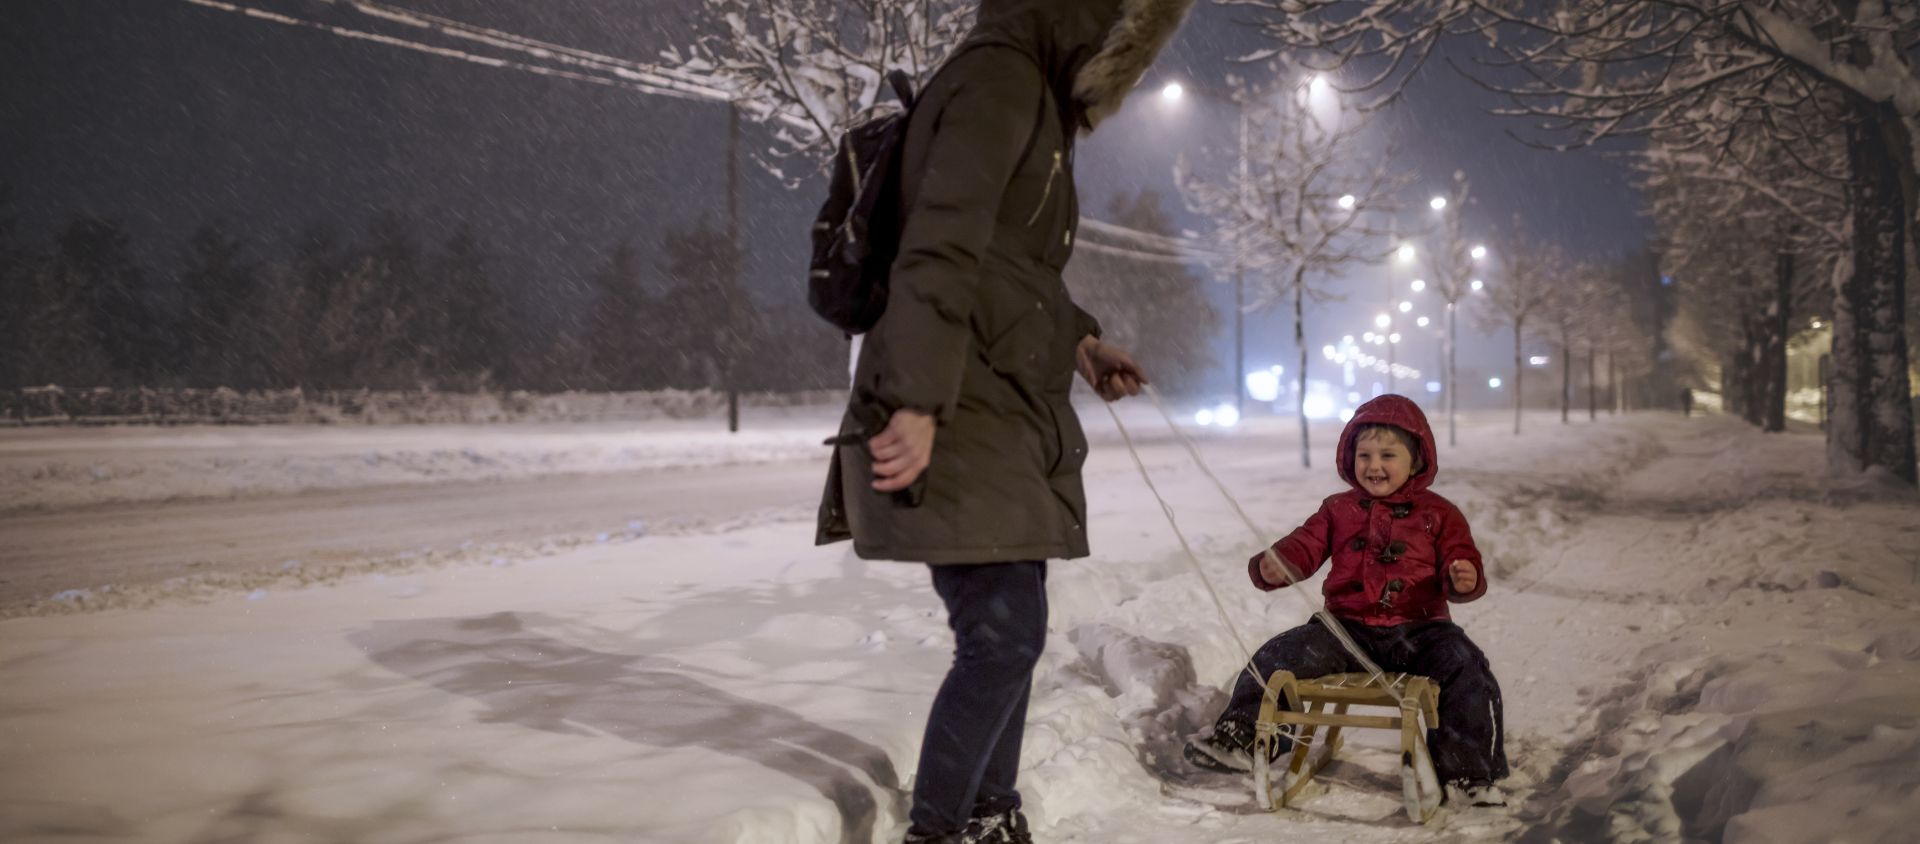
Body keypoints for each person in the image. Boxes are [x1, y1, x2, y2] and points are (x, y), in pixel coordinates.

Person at [814, 1, 1192, 841]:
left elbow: (1014, 272)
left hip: (995, 408)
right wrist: (914, 400)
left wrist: (1084, 344)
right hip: (956, 408)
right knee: (1002, 637)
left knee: (1011, 630)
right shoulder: (998, 80)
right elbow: (940, 245)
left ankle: (991, 814)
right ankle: (942, 829)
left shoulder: (1029, 94)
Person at [1182, 394, 1510, 808]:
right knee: (1279, 654)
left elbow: (1460, 553)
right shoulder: (1339, 509)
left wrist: (1464, 574)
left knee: (1467, 667)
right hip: (1346, 629)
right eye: (1364, 454)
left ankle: (1467, 772)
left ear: (1417, 460)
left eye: (1388, 455)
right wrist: (1279, 564)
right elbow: (1306, 544)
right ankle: (1242, 736)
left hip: (1421, 628)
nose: (1374, 466)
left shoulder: (1439, 513)